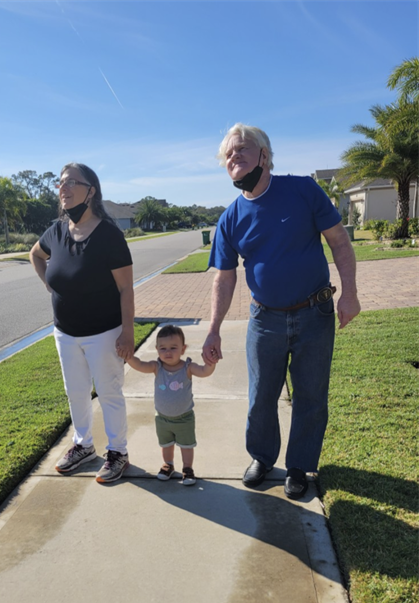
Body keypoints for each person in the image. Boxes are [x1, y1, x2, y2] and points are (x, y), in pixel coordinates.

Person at [202, 123, 361, 500]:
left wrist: (350, 294)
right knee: (261, 395)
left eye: (242, 149)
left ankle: (298, 467)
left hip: (314, 312)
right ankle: (261, 457)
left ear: (264, 156)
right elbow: (223, 279)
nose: (234, 157)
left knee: (310, 394)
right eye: (228, 154)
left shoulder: (302, 190)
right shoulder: (230, 218)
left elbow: (339, 242)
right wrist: (213, 328)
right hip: (264, 318)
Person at [29, 163, 134, 484]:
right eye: (61, 183)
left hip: (104, 332)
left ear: (92, 191)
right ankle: (83, 445)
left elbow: (126, 287)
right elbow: (35, 254)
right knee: (75, 392)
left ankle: (118, 452)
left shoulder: (109, 235)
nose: (64, 187)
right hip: (65, 332)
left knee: (108, 392)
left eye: (72, 182)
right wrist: (50, 283)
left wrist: (128, 332)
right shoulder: (56, 231)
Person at [126, 324, 216, 486]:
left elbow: (204, 371)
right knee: (166, 444)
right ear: (157, 349)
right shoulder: (156, 367)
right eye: (163, 348)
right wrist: (128, 357)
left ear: (183, 349)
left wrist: (211, 363)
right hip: (162, 418)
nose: (168, 352)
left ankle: (188, 469)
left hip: (184, 418)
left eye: (173, 347)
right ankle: (168, 464)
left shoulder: (188, 367)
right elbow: (139, 365)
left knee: (186, 446)